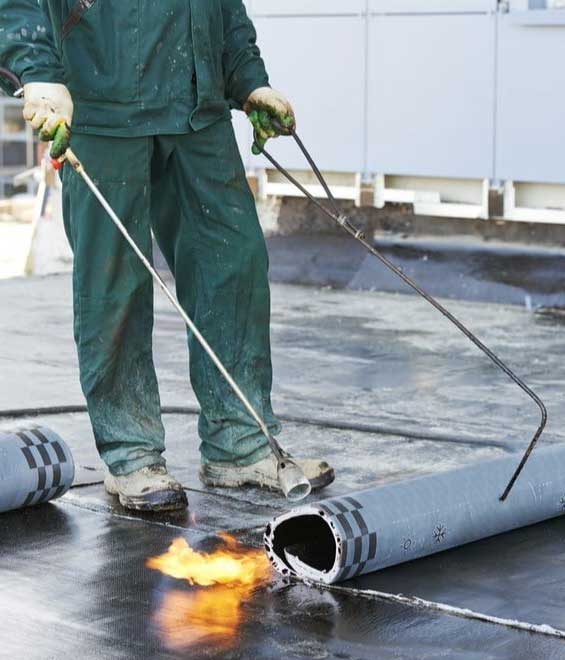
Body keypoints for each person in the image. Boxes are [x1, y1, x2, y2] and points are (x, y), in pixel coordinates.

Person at [0, 0, 334, 511]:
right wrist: (37, 72)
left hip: (198, 110)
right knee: (115, 284)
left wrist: (247, 79)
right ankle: (131, 453)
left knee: (235, 266)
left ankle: (240, 444)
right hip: (103, 107)